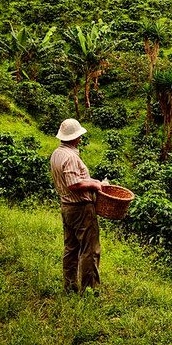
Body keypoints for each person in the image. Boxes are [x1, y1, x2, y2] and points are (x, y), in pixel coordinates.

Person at [49, 118, 103, 294]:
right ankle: (89, 288)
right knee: (90, 249)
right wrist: (94, 185)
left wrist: (91, 180)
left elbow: (72, 181)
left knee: (71, 247)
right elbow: (74, 184)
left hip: (67, 206)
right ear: (75, 137)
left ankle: (70, 285)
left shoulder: (57, 153)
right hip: (80, 208)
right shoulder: (71, 157)